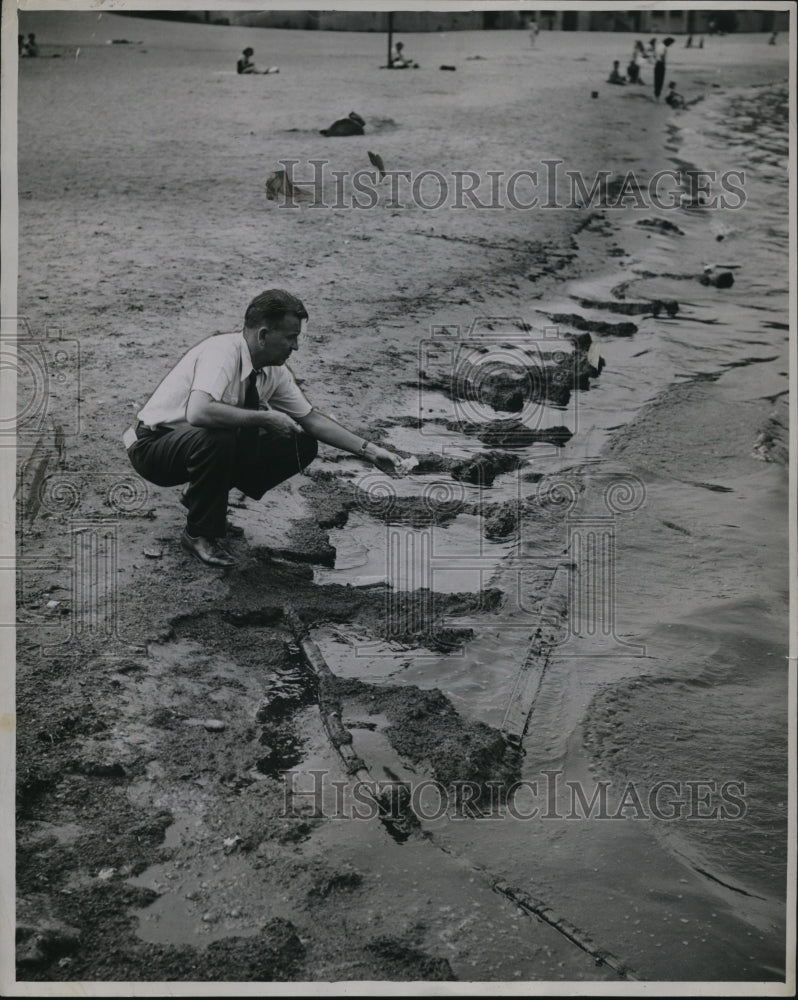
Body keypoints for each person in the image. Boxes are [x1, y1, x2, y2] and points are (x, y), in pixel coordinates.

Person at [125, 289, 402, 567]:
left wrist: (370, 451)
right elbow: (198, 412)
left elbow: (312, 420)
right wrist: (263, 419)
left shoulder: (274, 370)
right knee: (219, 435)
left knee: (301, 442)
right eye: (290, 338)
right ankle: (199, 534)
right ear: (263, 335)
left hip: (194, 448)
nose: (295, 347)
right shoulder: (222, 352)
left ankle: (202, 498)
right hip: (153, 448)